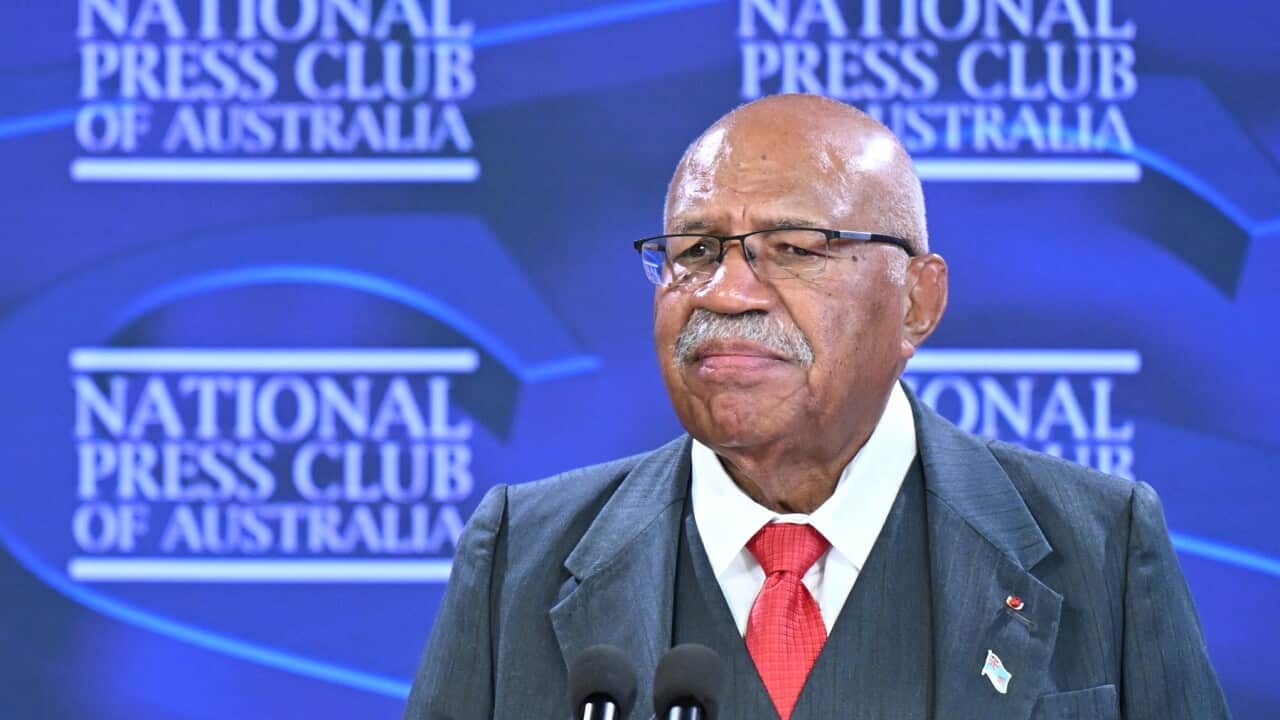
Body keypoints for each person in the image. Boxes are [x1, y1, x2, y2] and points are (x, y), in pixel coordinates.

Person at [403, 94, 1229, 720]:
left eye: (794, 249)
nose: (726, 291)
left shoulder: (1102, 544)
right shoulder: (519, 556)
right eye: (695, 251)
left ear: (918, 301)